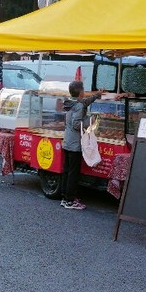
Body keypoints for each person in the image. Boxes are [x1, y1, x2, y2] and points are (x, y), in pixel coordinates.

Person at [60, 81, 126, 210]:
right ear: (80, 92)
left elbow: (84, 103)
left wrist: (97, 94)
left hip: (67, 142)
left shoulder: (70, 102)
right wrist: (90, 121)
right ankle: (70, 201)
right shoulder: (78, 106)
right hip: (74, 144)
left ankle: (65, 197)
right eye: (83, 90)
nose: (84, 92)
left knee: (67, 171)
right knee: (73, 173)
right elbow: (76, 124)